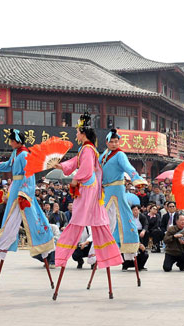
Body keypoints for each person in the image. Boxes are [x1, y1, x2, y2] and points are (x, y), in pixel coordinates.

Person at [52, 113, 122, 300]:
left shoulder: (89, 150)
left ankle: (63, 251)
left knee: (78, 219)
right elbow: (76, 162)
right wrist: (62, 167)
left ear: (82, 132)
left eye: (77, 131)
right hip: (90, 187)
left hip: (88, 187)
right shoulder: (85, 148)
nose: (75, 134)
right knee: (88, 220)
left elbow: (86, 168)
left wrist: (74, 179)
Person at [0, 129, 54, 284]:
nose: (9, 142)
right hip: (16, 186)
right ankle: (1, 244)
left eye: (11, 140)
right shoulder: (16, 153)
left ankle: (45, 244)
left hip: (22, 188)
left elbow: (29, 174)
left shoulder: (24, 154)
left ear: (17, 141)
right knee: (9, 219)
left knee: (34, 218)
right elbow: (7, 166)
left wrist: (25, 193)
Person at [99, 129, 147, 270]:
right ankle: (104, 245)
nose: (114, 144)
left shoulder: (120, 154)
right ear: (106, 142)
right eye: (111, 141)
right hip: (105, 190)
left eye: (116, 141)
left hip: (117, 189)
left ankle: (129, 244)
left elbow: (128, 167)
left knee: (124, 215)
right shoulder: (103, 156)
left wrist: (136, 179)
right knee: (103, 217)